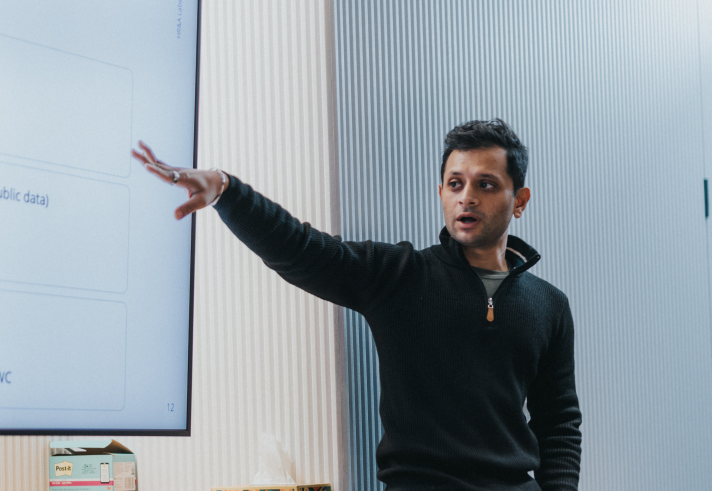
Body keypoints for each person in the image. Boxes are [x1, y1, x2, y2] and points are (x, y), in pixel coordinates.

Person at [131, 119, 581, 491]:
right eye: (454, 183)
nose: (466, 196)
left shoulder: (549, 306)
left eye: (485, 184)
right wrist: (227, 191)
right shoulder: (400, 275)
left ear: (518, 200)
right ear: (441, 192)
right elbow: (303, 249)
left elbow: (558, 422)